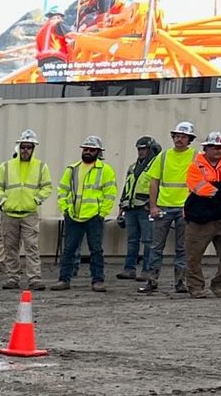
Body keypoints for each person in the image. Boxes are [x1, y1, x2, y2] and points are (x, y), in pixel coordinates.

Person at [138, 121, 199, 294]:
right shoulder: (163, 156)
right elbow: (154, 182)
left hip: (185, 208)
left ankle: (180, 282)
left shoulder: (196, 157)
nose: (179, 139)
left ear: (190, 140)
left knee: (182, 247)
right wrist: (153, 206)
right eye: (177, 136)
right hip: (164, 207)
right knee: (156, 247)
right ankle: (152, 281)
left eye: (183, 137)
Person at [182, 131, 221, 298]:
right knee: (193, 254)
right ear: (206, 148)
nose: (219, 151)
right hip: (199, 218)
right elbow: (198, 187)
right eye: (215, 147)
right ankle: (195, 287)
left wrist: (214, 187)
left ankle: (219, 284)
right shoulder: (196, 166)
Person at [51, 135, 116, 291]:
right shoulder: (72, 169)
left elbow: (110, 193)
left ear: (98, 152)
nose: (87, 152)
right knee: (69, 249)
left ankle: (97, 280)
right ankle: (64, 279)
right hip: (73, 216)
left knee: (96, 250)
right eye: (85, 149)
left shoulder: (105, 170)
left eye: (91, 150)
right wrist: (65, 209)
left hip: (94, 217)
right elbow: (62, 190)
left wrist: (102, 213)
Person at [0, 130, 53, 289]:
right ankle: (13, 277)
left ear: (33, 148)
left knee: (32, 247)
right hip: (9, 214)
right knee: (10, 247)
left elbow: (47, 187)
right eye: (23, 147)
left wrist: (36, 200)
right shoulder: (6, 166)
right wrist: (3, 202)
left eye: (29, 147)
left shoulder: (41, 167)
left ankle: (34, 279)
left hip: (29, 214)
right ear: (19, 147)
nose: (26, 150)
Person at [117, 135, 159, 280]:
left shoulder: (156, 166)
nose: (141, 152)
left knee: (148, 240)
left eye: (144, 149)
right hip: (130, 207)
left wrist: (153, 205)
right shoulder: (132, 167)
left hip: (145, 208)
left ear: (151, 149)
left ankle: (147, 270)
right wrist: (120, 209)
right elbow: (126, 188)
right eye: (139, 149)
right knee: (132, 240)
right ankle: (129, 269)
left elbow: (158, 187)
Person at [35, 12, 72, 77]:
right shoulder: (58, 24)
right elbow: (72, 35)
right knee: (59, 85)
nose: (62, 20)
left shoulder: (41, 31)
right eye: (61, 18)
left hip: (43, 64)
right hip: (56, 60)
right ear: (58, 17)